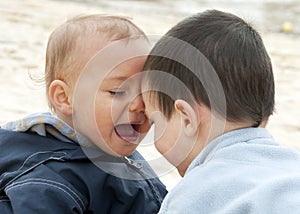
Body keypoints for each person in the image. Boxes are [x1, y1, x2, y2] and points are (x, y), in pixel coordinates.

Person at [0, 15, 167, 213]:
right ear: (64, 98)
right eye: (118, 92)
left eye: (145, 91)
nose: (139, 105)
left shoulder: (106, 144)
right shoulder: (49, 180)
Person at [142, 9, 300, 213]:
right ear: (265, 117)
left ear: (187, 118)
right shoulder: (292, 168)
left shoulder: (195, 193)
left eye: (155, 123)